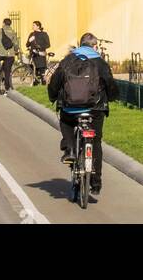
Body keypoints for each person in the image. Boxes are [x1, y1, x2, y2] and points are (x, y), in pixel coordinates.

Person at [47, 32, 118, 195]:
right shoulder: (100, 63)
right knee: (96, 142)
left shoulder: (67, 60)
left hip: (70, 108)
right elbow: (110, 83)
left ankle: (70, 149)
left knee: (65, 122)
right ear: (94, 46)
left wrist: (52, 96)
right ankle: (96, 182)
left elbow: (55, 82)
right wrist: (112, 97)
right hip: (95, 109)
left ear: (81, 44)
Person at [0, 17, 22, 92]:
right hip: (9, 54)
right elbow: (16, 44)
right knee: (7, 71)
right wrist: (16, 50)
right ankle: (7, 88)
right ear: (10, 24)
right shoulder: (13, 32)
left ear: (3, 23)